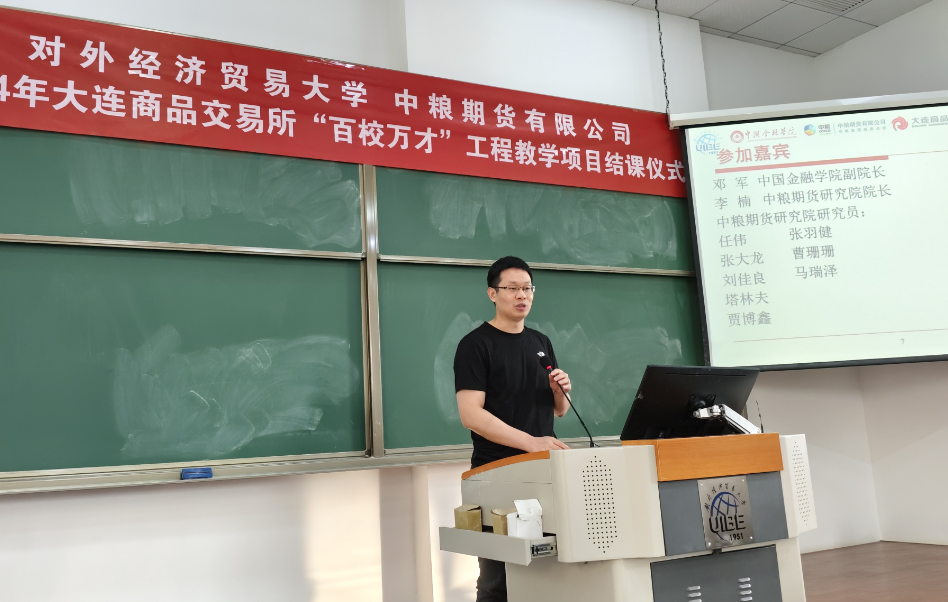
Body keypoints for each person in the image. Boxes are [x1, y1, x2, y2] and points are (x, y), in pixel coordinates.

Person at [454, 256, 572, 602]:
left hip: (542, 474)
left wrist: (560, 391)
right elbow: (471, 415)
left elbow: (559, 411)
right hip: (496, 475)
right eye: (512, 288)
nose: (522, 295)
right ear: (493, 293)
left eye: (528, 288)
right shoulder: (475, 345)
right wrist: (531, 443)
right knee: (497, 581)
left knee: (546, 573)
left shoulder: (540, 341)